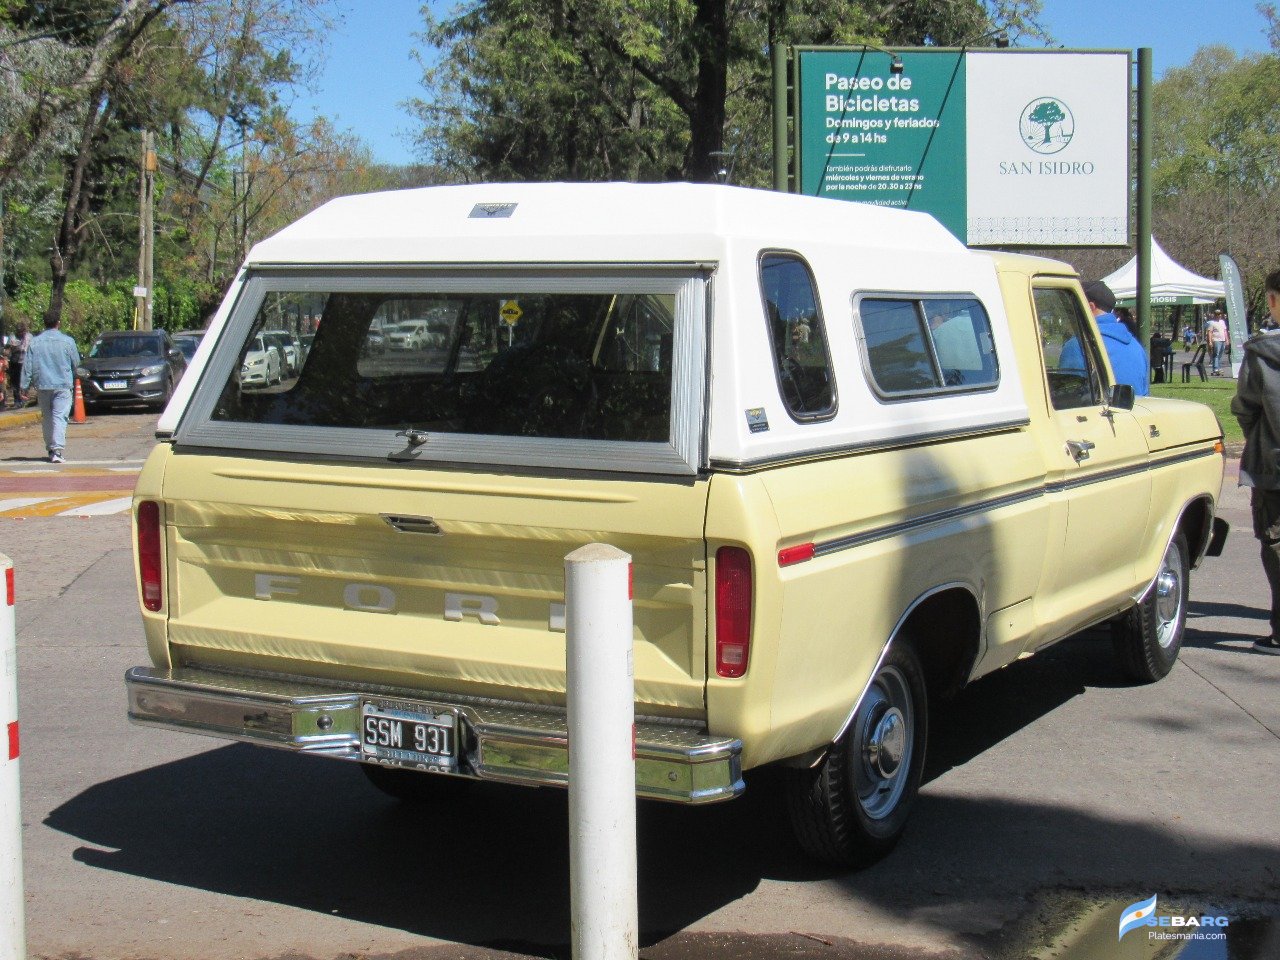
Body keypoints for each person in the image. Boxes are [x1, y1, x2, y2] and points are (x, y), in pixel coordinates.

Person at [1232, 269, 1280, 653]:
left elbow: (1245, 408)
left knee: (1276, 543)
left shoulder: (1261, 354)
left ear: (1273, 300)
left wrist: (1261, 439)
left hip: (1272, 467)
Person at [1060, 280, 1149, 397]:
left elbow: (1066, 395)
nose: (1070, 314)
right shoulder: (1135, 346)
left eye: (1071, 309)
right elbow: (1144, 392)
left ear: (1090, 307)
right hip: (1136, 408)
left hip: (1097, 408)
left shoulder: (1078, 345)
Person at [19, 315, 81, 463]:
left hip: (43, 385)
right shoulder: (68, 341)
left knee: (47, 417)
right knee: (59, 416)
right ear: (58, 323)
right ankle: (57, 450)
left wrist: (24, 386)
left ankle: (51, 449)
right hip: (63, 385)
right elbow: (76, 364)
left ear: (44, 323)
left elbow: (28, 366)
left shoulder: (35, 342)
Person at [7, 322, 31, 406]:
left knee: (25, 381)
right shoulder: (12, 336)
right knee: (15, 382)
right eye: (19, 332)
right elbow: (7, 349)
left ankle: (24, 398)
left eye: (22, 332)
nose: (21, 334)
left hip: (25, 362)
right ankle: (17, 400)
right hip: (15, 362)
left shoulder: (29, 337)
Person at [1204, 309, 1229, 376]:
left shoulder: (1222, 322)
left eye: (1220, 314)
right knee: (1216, 354)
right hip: (1216, 340)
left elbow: (1225, 331)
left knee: (1220, 354)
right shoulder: (1212, 323)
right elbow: (1209, 332)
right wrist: (1210, 341)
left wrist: (1227, 340)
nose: (1219, 315)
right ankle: (1215, 369)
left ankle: (1219, 368)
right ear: (1215, 315)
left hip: (1222, 340)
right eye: (1217, 314)